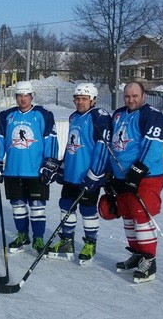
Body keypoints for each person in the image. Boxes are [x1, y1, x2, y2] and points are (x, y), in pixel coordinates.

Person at [106, 81, 163, 283]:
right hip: (123, 176)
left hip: (146, 176)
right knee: (128, 216)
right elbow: (113, 145)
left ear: (143, 96)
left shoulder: (152, 115)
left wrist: (139, 169)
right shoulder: (119, 114)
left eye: (135, 96)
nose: (131, 100)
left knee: (140, 216)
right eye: (127, 96)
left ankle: (149, 260)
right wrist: (109, 173)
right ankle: (138, 254)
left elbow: (154, 146)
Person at [45, 83, 111, 264]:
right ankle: (67, 241)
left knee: (88, 209)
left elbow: (103, 146)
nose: (79, 102)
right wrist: (63, 168)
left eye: (84, 99)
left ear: (93, 100)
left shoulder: (99, 116)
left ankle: (90, 243)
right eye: (77, 99)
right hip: (72, 174)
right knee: (66, 205)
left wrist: (95, 174)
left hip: (88, 175)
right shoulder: (74, 117)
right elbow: (70, 145)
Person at [0, 81, 58, 255]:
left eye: (26, 95)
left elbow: (51, 140)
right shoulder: (7, 115)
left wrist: (49, 164)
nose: (23, 99)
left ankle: (38, 238)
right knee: (18, 206)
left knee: (37, 207)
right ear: (15, 97)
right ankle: (22, 236)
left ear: (32, 96)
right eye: (19, 95)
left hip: (36, 172)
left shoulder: (43, 114)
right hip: (13, 170)